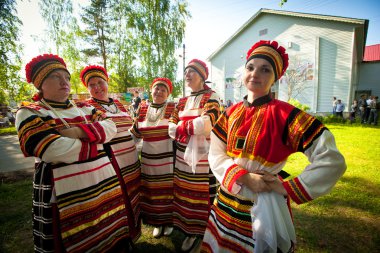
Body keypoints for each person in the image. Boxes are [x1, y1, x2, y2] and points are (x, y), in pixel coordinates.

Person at [200, 40, 346, 253]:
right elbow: (215, 152)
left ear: (275, 78)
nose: (255, 74)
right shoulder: (230, 113)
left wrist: (285, 187)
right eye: (250, 67)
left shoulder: (286, 115)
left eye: (265, 69)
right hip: (227, 196)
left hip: (264, 201)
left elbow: (332, 159)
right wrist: (245, 177)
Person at [16, 54, 133, 252]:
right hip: (63, 189)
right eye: (56, 76)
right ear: (40, 83)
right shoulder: (30, 112)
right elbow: (50, 149)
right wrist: (97, 142)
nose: (65, 82)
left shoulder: (84, 107)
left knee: (108, 223)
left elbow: (111, 127)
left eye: (67, 77)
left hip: (103, 182)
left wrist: (77, 132)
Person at [80, 65, 142, 244]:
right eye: (92, 85)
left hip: (130, 157)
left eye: (100, 82)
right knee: (119, 199)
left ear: (107, 83)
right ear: (87, 88)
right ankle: (122, 238)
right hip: (110, 160)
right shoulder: (87, 107)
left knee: (133, 194)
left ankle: (134, 233)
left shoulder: (118, 104)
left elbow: (128, 126)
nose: (97, 87)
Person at [168, 59, 221, 252]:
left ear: (202, 76)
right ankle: (189, 228)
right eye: (186, 72)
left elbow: (206, 124)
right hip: (182, 155)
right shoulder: (182, 101)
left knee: (203, 193)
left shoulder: (212, 96)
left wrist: (182, 128)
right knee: (184, 191)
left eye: (192, 72)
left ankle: (201, 231)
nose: (187, 75)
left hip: (203, 157)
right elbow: (170, 127)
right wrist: (189, 128)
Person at [130, 77, 176, 238]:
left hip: (168, 158)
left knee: (167, 190)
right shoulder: (142, 109)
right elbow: (135, 134)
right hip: (149, 158)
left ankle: (168, 221)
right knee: (152, 190)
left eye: (163, 90)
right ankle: (157, 222)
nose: (159, 92)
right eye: (157, 88)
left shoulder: (172, 108)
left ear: (168, 93)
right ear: (151, 90)